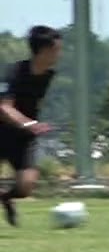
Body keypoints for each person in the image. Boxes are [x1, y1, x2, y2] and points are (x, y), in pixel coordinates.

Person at [0, 26, 62, 226]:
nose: (59, 55)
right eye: (56, 50)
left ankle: (6, 198)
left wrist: (33, 126)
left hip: (24, 136)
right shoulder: (15, 72)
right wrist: (28, 123)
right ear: (43, 51)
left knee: (26, 186)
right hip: (2, 131)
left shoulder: (47, 75)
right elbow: (4, 108)